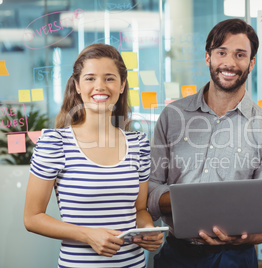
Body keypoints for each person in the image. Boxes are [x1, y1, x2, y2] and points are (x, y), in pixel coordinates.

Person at [148, 18, 262, 268]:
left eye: (240, 54)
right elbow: (150, 187)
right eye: (221, 52)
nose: (230, 63)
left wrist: (242, 238)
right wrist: (187, 200)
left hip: (236, 256)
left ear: (251, 63)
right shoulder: (173, 116)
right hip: (176, 255)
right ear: (208, 57)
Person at [24, 43, 163, 268]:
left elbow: (139, 210)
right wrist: (87, 235)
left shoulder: (138, 143)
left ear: (122, 85)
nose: (100, 86)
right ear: (77, 86)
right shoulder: (54, 143)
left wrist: (147, 229)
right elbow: (32, 218)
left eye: (109, 78)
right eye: (90, 78)